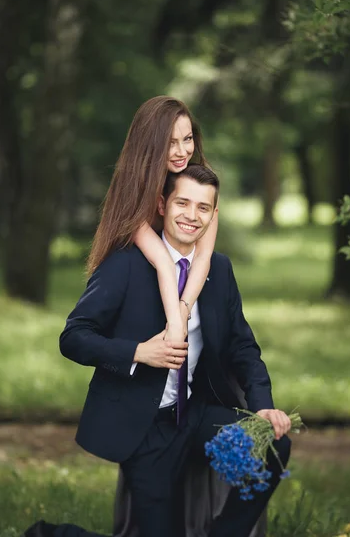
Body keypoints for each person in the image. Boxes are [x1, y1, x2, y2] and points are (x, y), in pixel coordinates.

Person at [55, 164, 291, 537]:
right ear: (163, 205)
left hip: (196, 415)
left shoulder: (219, 269)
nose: (191, 216)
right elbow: (73, 336)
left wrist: (263, 405)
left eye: (203, 207)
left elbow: (242, 345)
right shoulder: (126, 264)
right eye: (183, 203)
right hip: (145, 428)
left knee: (272, 445)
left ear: (213, 215)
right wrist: (137, 352)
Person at [86, 95, 218, 346]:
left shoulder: (202, 183)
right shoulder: (133, 191)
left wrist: (182, 313)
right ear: (151, 146)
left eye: (187, 139)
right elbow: (163, 261)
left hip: (182, 282)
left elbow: (203, 257)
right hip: (139, 283)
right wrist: (176, 324)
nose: (182, 152)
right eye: (171, 143)